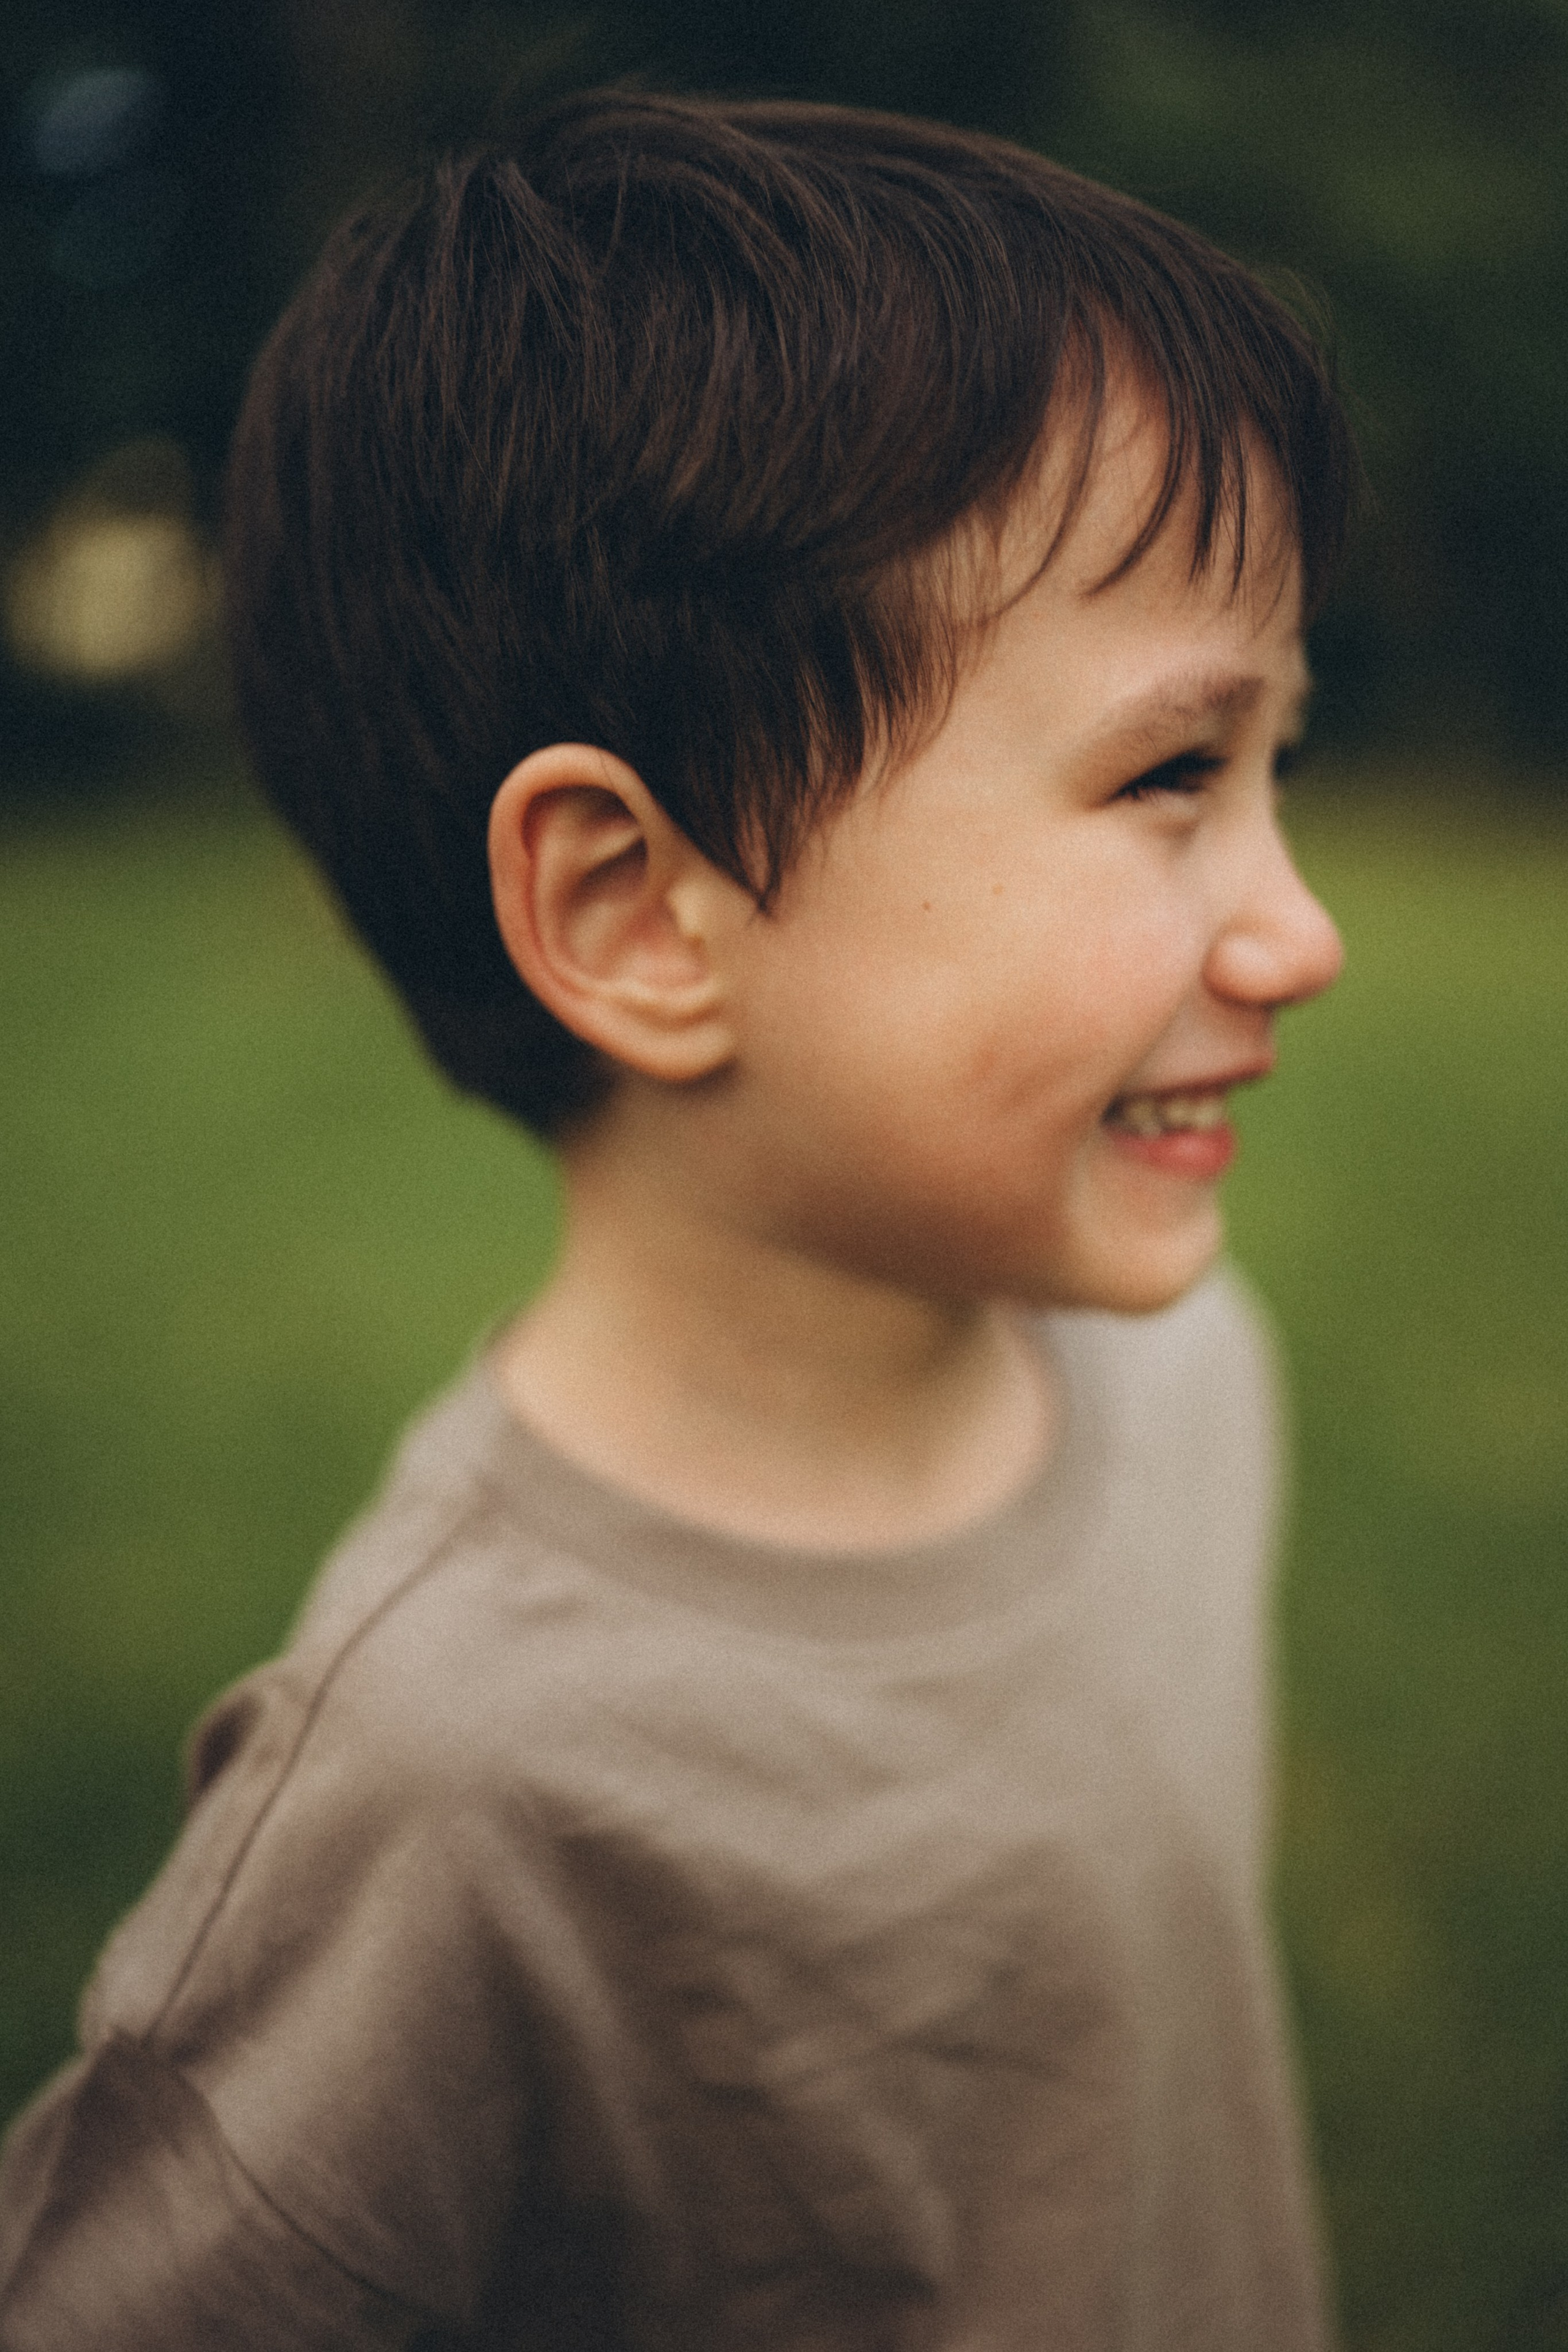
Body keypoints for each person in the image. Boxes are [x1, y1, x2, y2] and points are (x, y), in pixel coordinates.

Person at [0, 89, 1355, 2351]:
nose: (1298, 931)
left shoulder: (1179, 1377)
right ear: (640, 912)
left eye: (1278, 763)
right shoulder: (458, 1791)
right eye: (1169, 776)